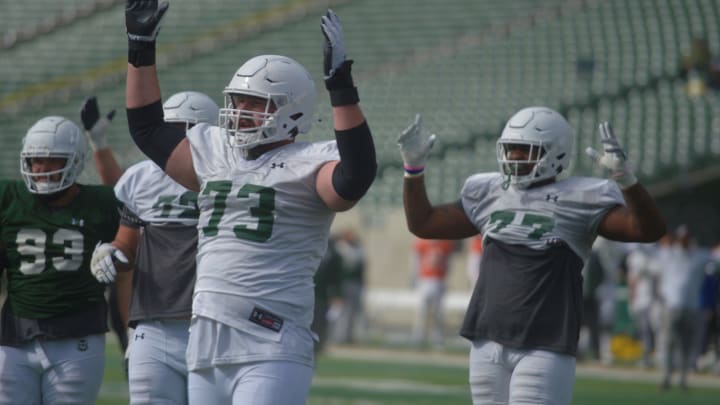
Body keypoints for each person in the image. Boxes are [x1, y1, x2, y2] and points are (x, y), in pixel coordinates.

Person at [123, 2, 376, 404]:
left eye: (254, 103)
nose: (239, 112)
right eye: (237, 101)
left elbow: (354, 177)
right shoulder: (214, 151)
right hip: (206, 338)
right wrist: (141, 47)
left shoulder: (309, 163)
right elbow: (147, 127)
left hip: (270, 341)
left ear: (291, 109)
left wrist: (340, 86)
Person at [397, 108, 666, 405]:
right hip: (487, 340)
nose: (513, 157)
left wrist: (626, 180)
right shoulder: (489, 191)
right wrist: (413, 170)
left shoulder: (581, 198)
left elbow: (647, 230)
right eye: (510, 148)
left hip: (545, 346)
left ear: (556, 153)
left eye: (524, 149)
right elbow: (423, 223)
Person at [89, 91, 219, 404]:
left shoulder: (227, 177)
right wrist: (111, 255)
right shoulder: (142, 179)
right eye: (168, 130)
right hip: (154, 323)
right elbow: (126, 245)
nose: (172, 141)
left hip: (215, 323)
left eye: (183, 130)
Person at [0, 116, 119, 404]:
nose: (40, 169)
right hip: (15, 337)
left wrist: (118, 246)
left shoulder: (100, 202)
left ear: (75, 160)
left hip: (76, 338)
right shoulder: (8, 196)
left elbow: (133, 198)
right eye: (35, 160)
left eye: (51, 160)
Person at [410, 237, 455, 348]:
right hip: (425, 279)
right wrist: (415, 278)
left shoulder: (445, 244)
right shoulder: (421, 242)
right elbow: (415, 261)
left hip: (439, 280)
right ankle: (418, 337)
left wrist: (445, 278)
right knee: (422, 311)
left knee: (438, 312)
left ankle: (437, 338)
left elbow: (448, 262)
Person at [331, 229, 367, 345]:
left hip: (355, 283)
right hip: (345, 283)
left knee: (353, 311)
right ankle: (339, 336)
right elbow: (351, 261)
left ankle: (348, 336)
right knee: (342, 312)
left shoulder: (357, 248)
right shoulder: (341, 247)